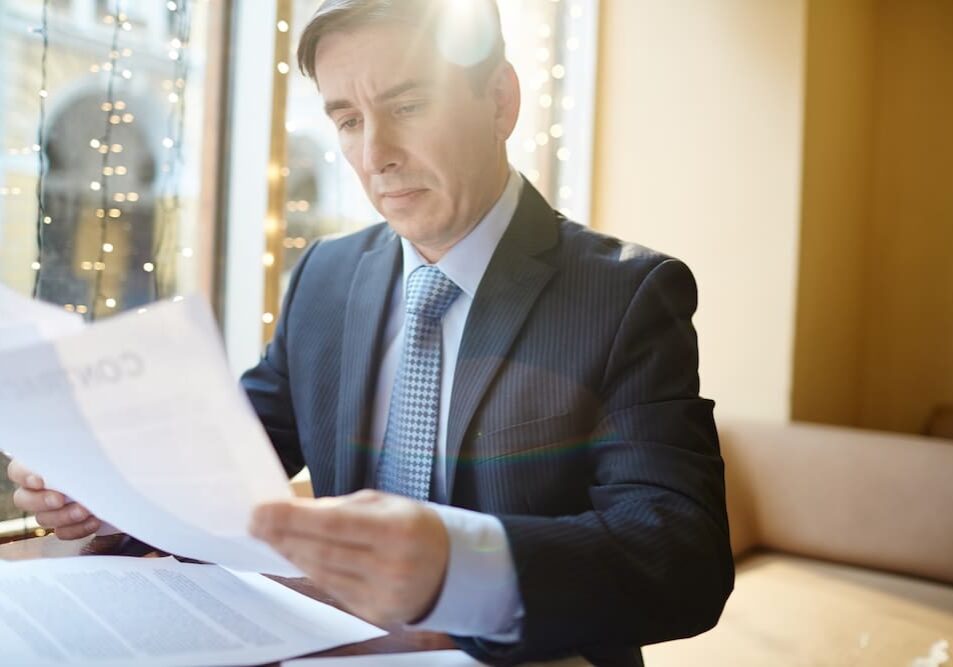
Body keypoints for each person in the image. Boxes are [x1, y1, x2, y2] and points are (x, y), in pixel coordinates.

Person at [7, 1, 733, 664]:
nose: (374, 154)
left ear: (500, 101)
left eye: (406, 106)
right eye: (348, 119)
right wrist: (110, 490)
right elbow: (229, 459)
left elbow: (683, 556)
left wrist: (459, 565)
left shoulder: (626, 294)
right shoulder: (326, 276)